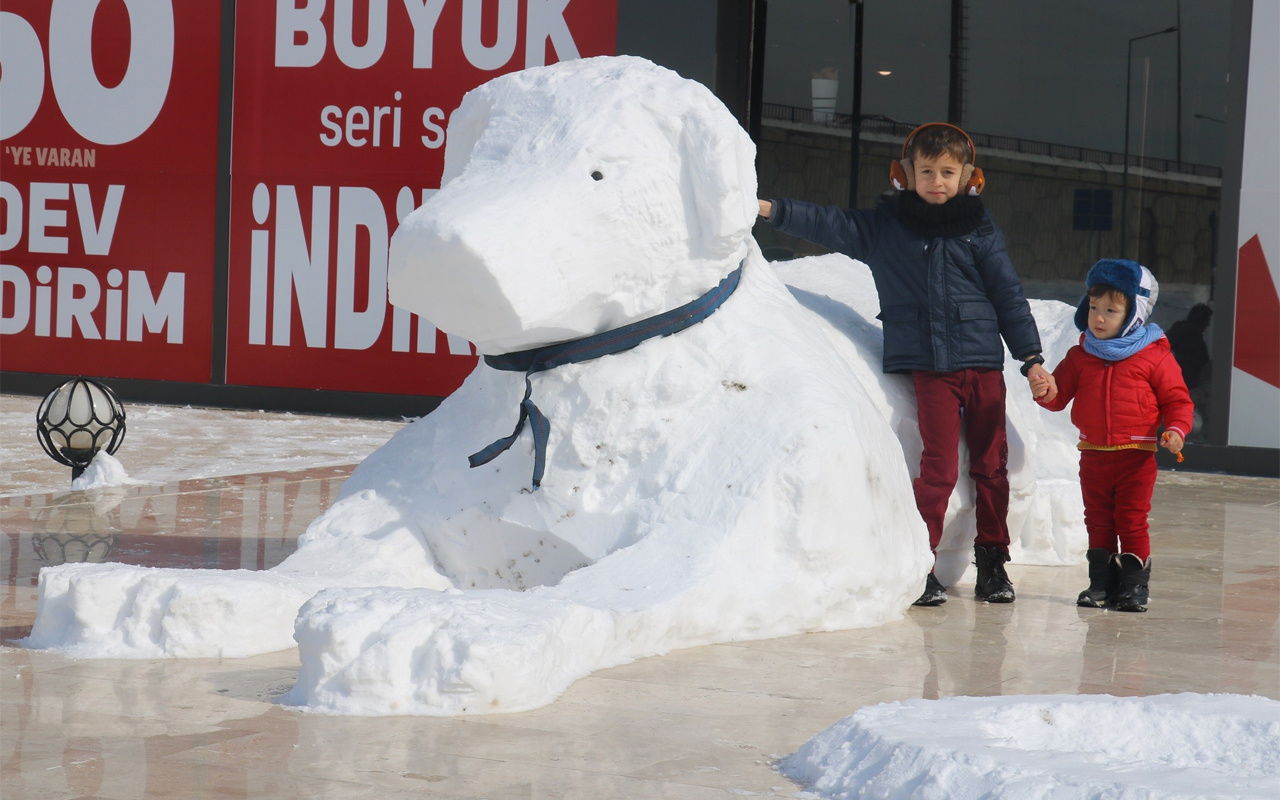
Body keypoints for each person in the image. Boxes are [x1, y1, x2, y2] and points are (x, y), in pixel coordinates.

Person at [758, 122, 1048, 607]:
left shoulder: (978, 229)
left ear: (969, 178)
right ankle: (923, 564)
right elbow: (828, 223)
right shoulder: (885, 229)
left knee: (991, 466)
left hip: (981, 365)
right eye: (927, 171)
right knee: (936, 467)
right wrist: (771, 210)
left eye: (948, 172)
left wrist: (1032, 360)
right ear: (904, 175)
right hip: (930, 368)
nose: (937, 181)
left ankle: (993, 562)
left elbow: (1009, 295)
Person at [1029, 258, 1193, 612]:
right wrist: (1046, 390)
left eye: (1111, 310)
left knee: (1131, 519)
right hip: (1093, 455)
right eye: (1093, 308)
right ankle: (1101, 584)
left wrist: (1176, 430)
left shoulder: (1154, 356)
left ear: (1133, 314)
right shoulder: (1080, 355)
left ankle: (1133, 586)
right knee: (1099, 519)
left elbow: (1178, 400)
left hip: (1136, 456)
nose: (1098, 318)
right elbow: (1058, 398)